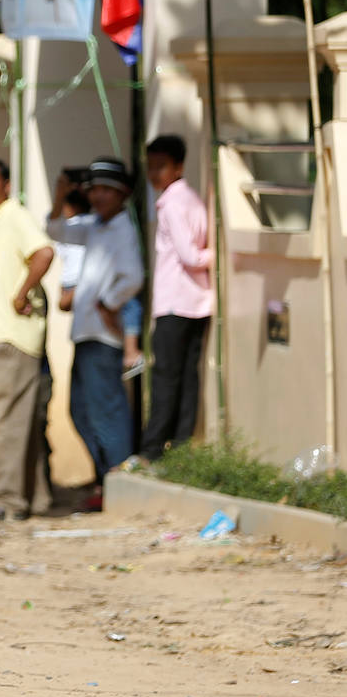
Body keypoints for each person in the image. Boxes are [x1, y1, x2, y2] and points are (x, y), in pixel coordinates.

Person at [47, 159, 144, 502]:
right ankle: (106, 478)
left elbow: (133, 277)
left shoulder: (122, 230)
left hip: (102, 336)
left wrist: (108, 303)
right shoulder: (94, 226)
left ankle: (119, 482)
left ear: (123, 195)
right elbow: (56, 230)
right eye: (95, 189)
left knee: (106, 411)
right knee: (80, 409)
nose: (100, 196)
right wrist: (60, 195)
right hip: (85, 333)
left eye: (107, 190)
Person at [0, 156, 54, 521]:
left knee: (4, 423)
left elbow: (44, 252)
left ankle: (9, 501)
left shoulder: (14, 215)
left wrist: (23, 293)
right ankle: (35, 499)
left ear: (5, 185)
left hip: (12, 337)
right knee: (22, 423)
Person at [140, 134, 212, 462]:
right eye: (150, 167)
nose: (154, 174)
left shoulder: (171, 203)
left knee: (166, 377)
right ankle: (182, 448)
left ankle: (154, 449)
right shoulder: (193, 200)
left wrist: (213, 256)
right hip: (198, 303)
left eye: (161, 166)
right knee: (187, 375)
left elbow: (190, 256)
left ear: (178, 166)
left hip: (173, 303)